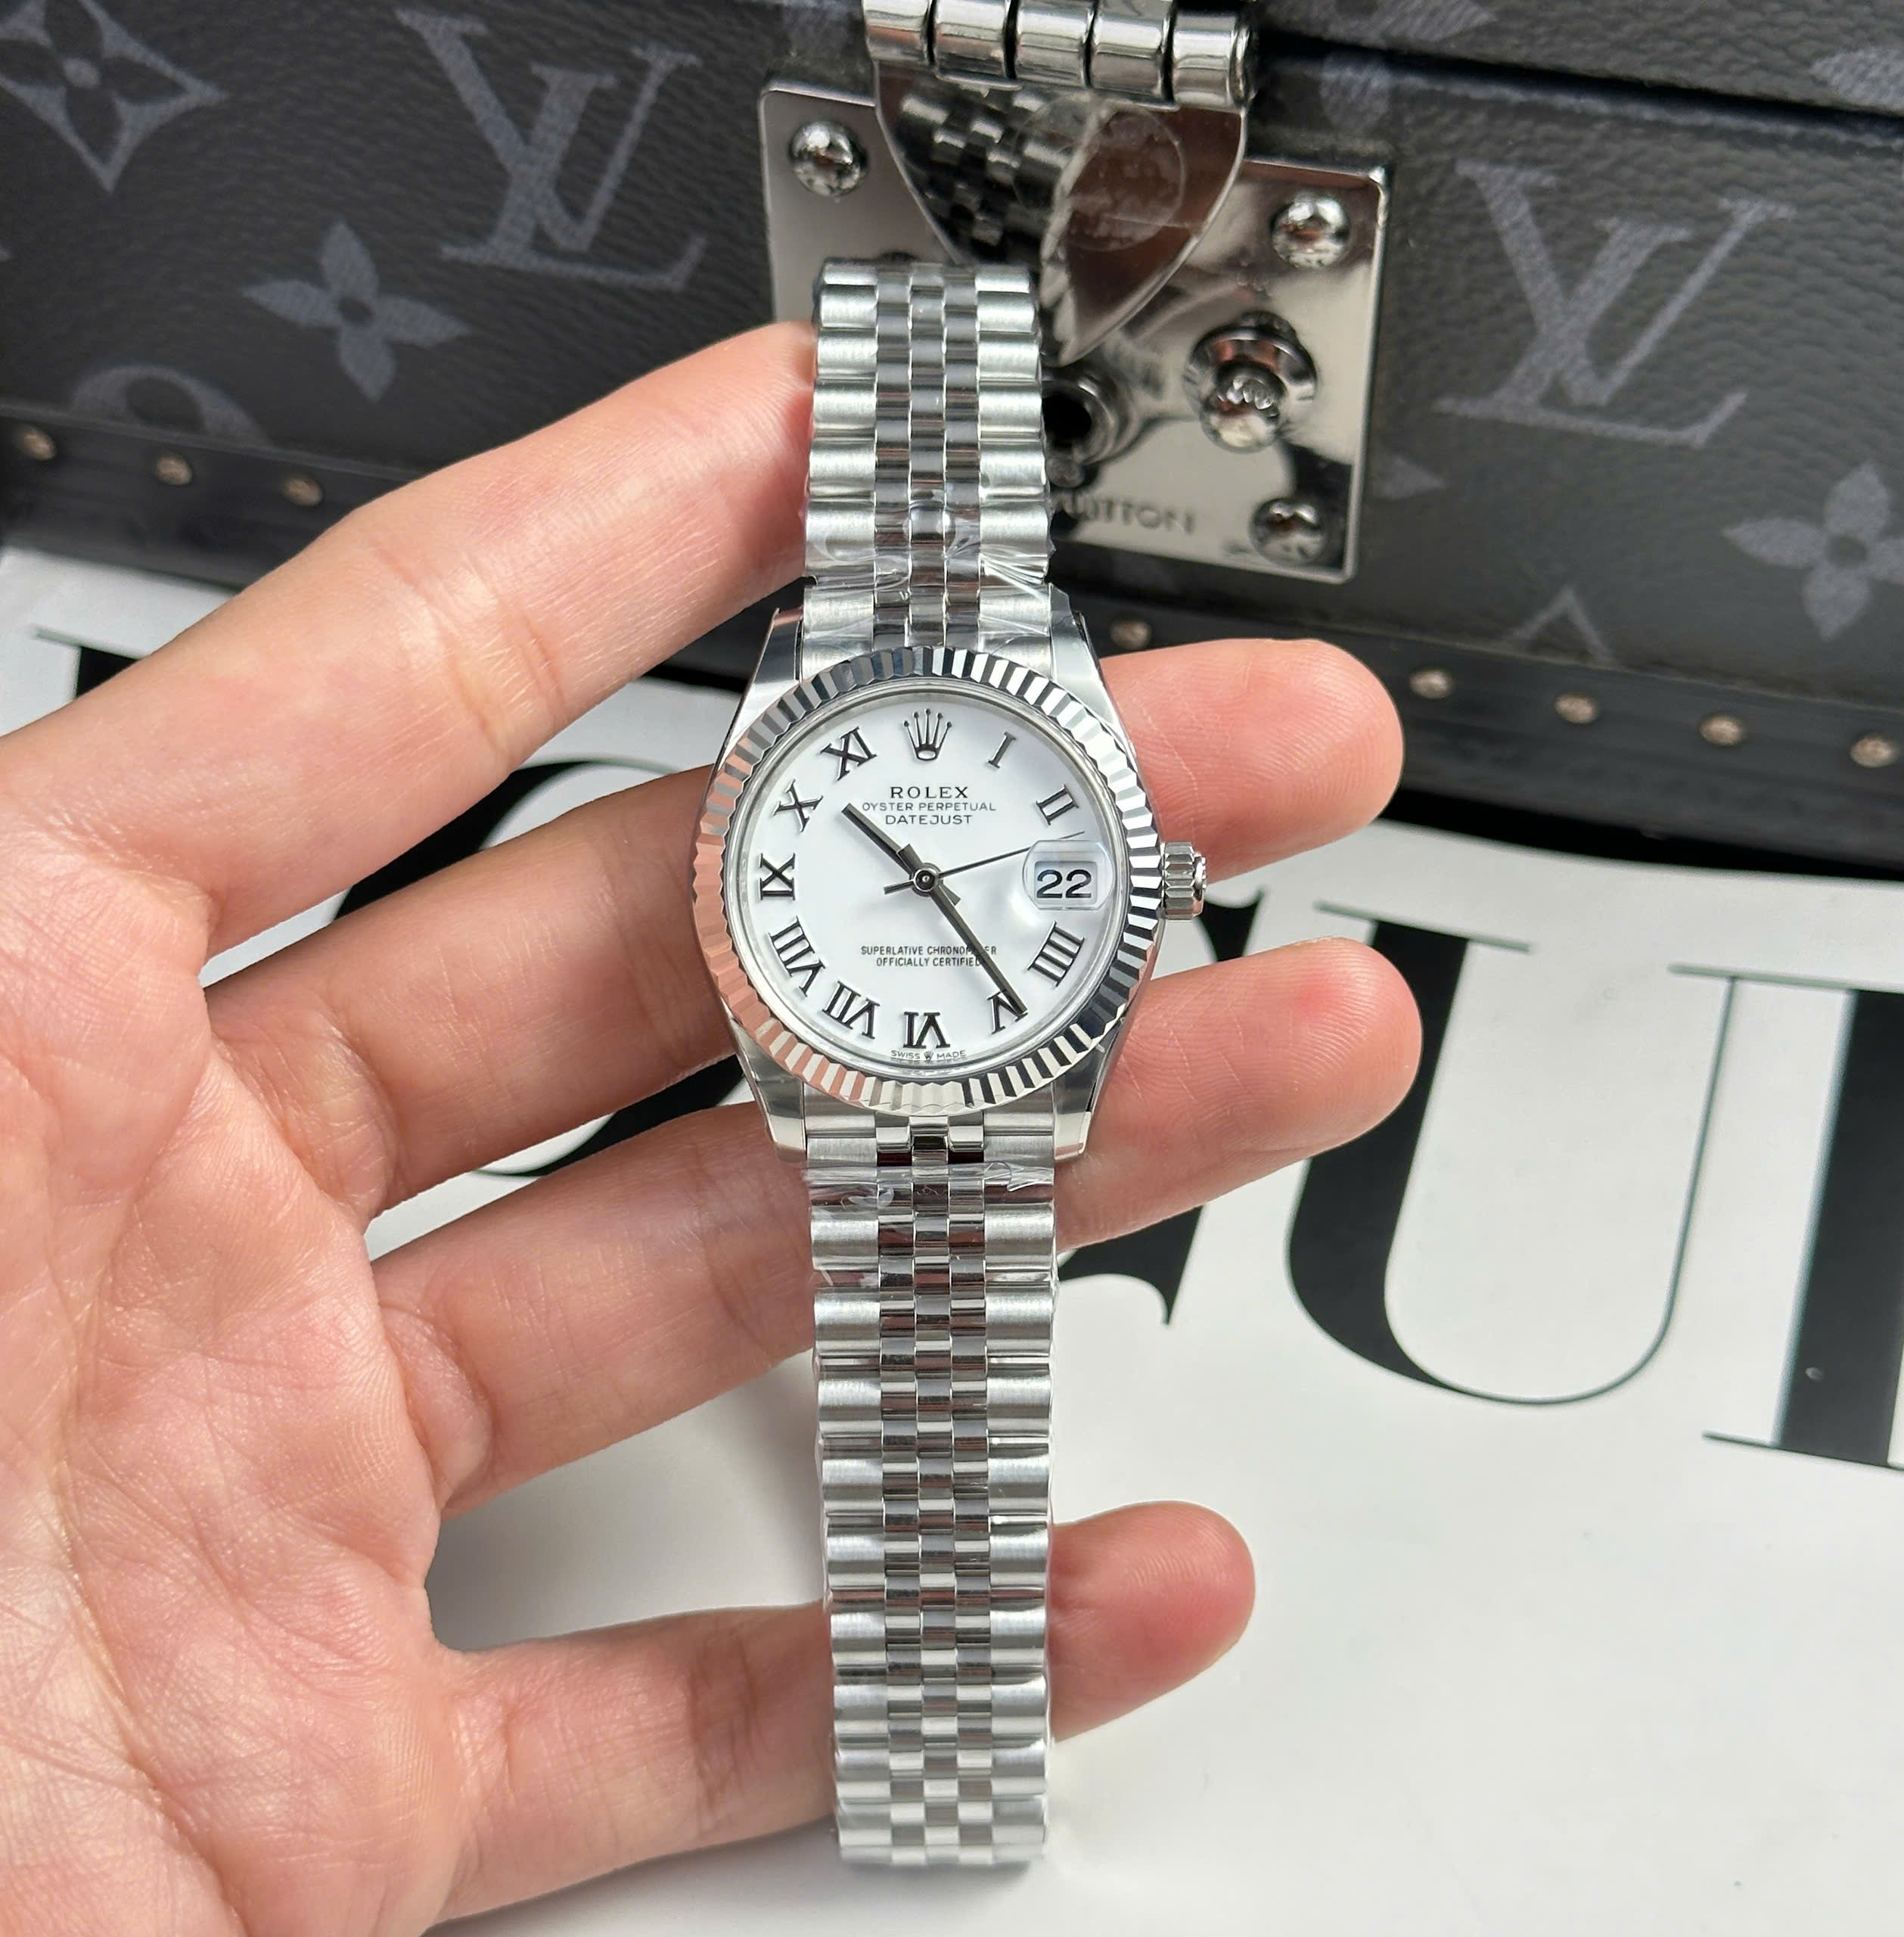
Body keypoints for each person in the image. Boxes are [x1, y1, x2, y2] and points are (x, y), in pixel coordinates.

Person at [0, 325, 1418, 1931]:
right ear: (730, 868)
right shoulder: (809, 781)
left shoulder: (982, 758)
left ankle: (936, 1765)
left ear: (1140, 883)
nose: (926, 878)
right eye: (901, 865)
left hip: (980, 1065)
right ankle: (929, 1769)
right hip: (878, 1062)